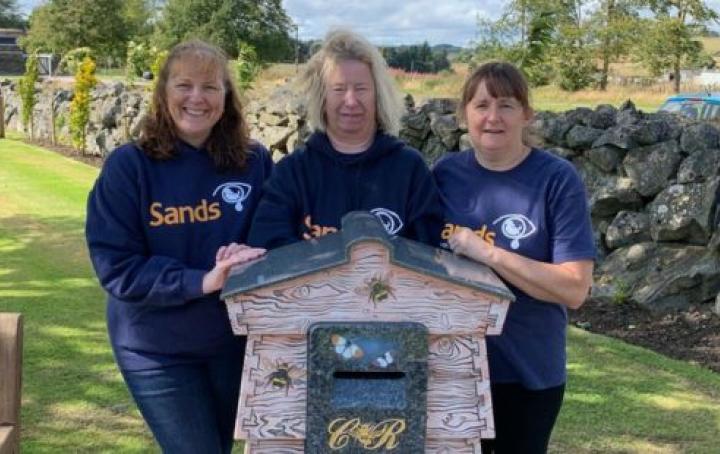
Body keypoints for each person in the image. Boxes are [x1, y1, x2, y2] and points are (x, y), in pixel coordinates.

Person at [85, 40, 271, 453]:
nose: (197, 98)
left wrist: (254, 256)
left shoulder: (253, 162)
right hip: (155, 349)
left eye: (210, 86)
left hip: (232, 342)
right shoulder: (128, 167)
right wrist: (202, 280)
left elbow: (274, 236)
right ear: (163, 92)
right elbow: (116, 267)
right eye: (184, 85)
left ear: (227, 96)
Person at [433, 61, 595, 453]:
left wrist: (489, 254)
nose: (492, 117)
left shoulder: (556, 180)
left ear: (527, 114)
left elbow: (574, 289)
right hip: (451, 371)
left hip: (527, 375)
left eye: (506, 105)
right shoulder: (444, 175)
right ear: (464, 115)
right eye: (481, 105)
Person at [247, 29, 443, 249]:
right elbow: (267, 248)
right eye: (338, 89)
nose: (350, 101)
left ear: (378, 95)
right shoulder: (292, 172)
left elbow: (429, 253)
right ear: (322, 97)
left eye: (361, 89)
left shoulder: (410, 169)